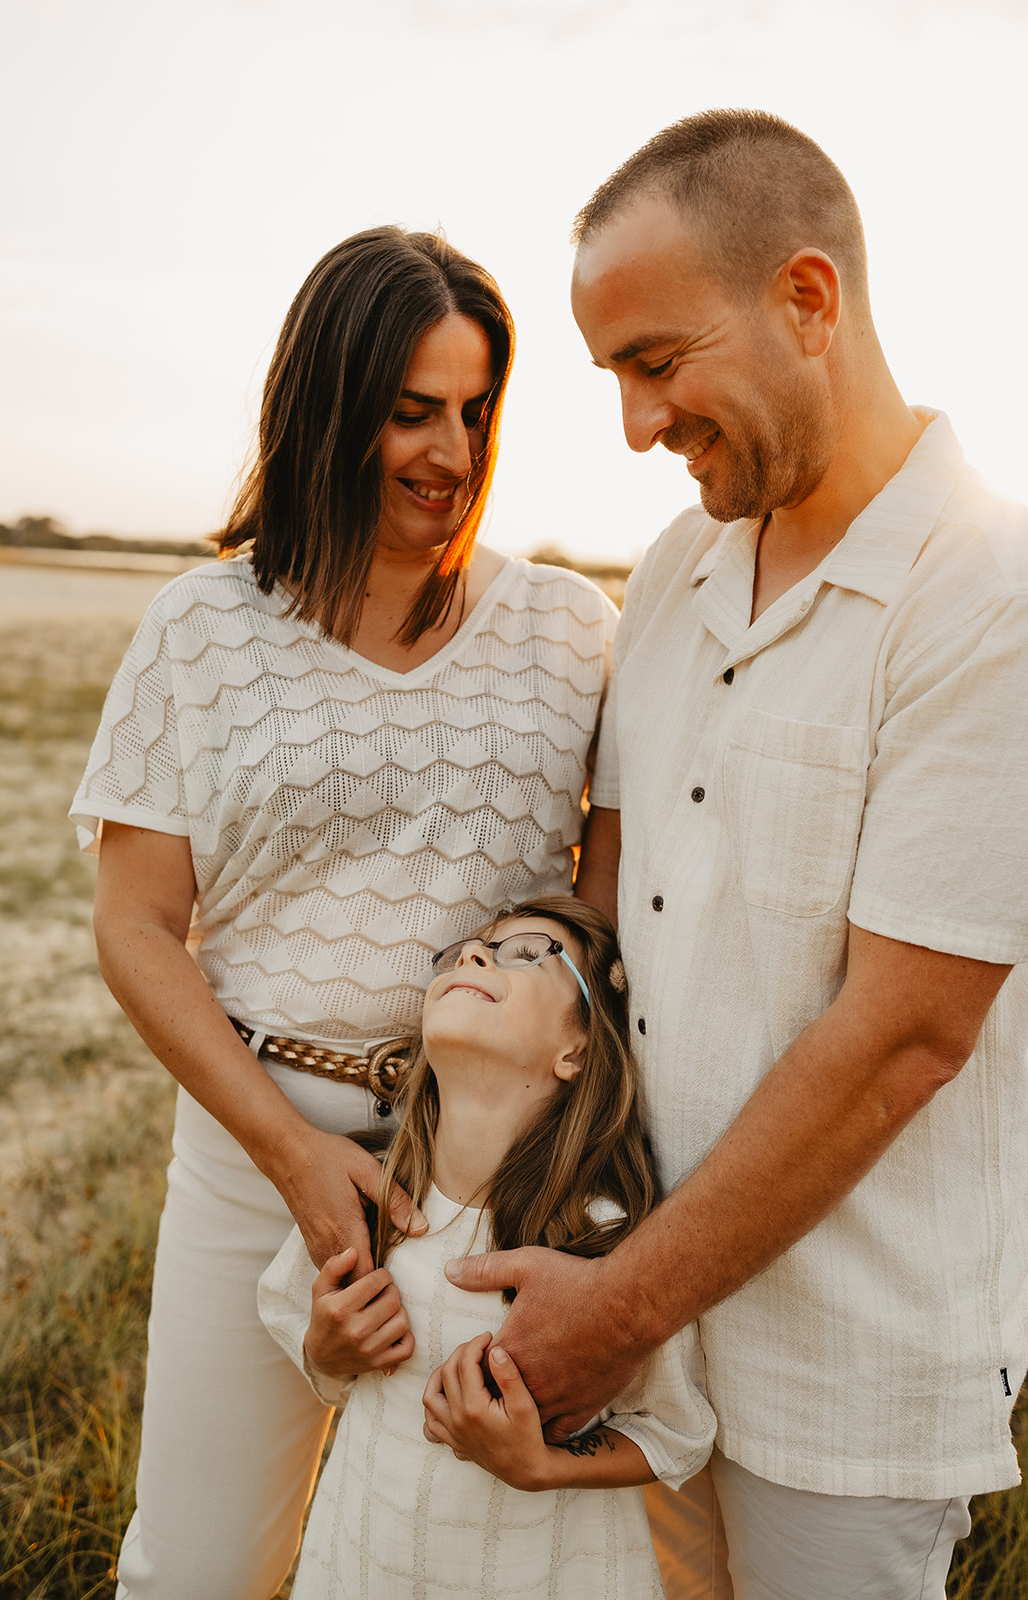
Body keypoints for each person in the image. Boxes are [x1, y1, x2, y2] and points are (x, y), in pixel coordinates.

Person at [439, 111, 1028, 1599]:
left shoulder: (985, 597)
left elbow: (904, 1036)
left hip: (841, 1381)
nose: (635, 426)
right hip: (626, 1344)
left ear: (807, 299)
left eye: (655, 363)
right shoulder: (674, 568)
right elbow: (607, 900)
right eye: (612, 378)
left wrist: (608, 1314)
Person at [69, 227, 619, 1600]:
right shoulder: (201, 629)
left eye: (474, 410)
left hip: (485, 1182)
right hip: (254, 1154)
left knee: (442, 1564)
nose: (448, 449)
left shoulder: (564, 628)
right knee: (199, 1568)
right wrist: (294, 1162)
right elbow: (137, 929)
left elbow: (608, 901)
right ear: (327, 405)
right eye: (407, 410)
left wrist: (545, 1156)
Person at [258, 894, 716, 1598]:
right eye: (466, 951)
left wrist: (542, 1462)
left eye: (527, 953)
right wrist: (325, 1351)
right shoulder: (363, 1197)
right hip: (363, 1564)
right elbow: (308, 1343)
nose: (473, 954)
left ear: (579, 1047)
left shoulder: (602, 1240)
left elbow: (671, 1432)